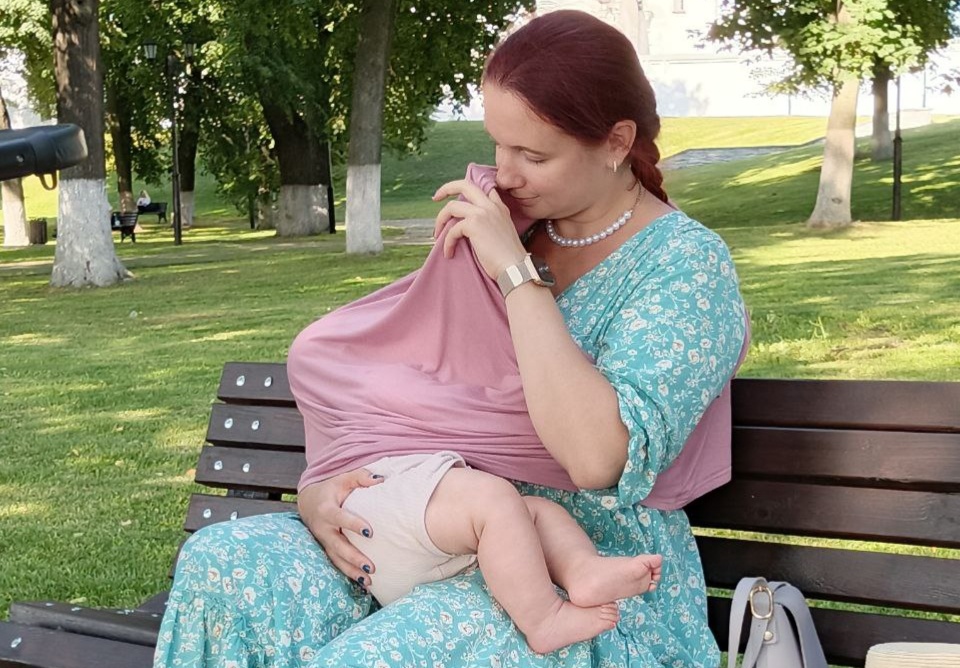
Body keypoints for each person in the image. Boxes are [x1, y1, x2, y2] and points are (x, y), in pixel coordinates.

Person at [153, 10, 748, 668]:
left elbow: (596, 458)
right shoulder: (508, 224)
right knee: (224, 565)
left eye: (534, 155)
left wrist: (516, 275)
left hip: (579, 578)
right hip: (424, 527)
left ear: (616, 141)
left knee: (380, 657)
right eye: (498, 145)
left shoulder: (685, 266)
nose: (506, 173)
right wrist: (323, 488)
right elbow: (408, 387)